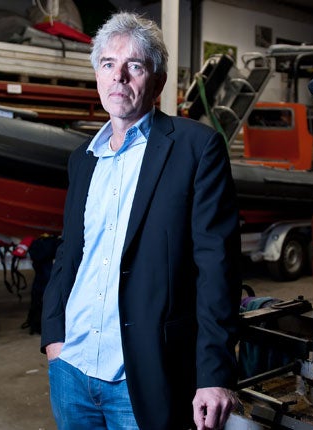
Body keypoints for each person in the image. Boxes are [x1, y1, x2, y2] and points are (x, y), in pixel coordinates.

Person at [40, 11, 242, 430]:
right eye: (109, 65)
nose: (119, 77)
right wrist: (53, 336)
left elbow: (217, 266)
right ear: (97, 75)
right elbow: (69, 252)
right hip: (71, 369)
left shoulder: (196, 148)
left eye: (135, 65)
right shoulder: (83, 159)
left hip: (144, 374)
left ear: (158, 81)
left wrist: (214, 374)